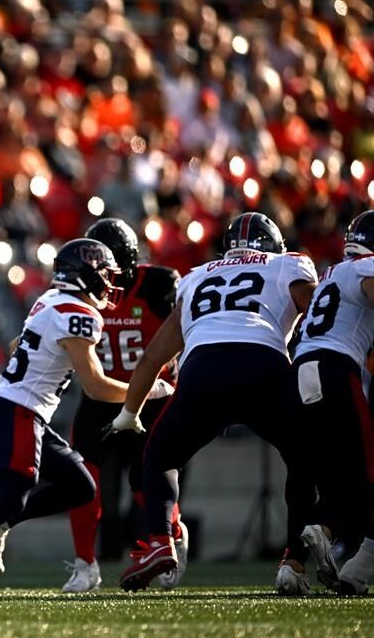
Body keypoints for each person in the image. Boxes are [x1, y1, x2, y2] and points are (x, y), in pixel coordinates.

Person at [0, 238, 174, 597]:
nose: (110, 283)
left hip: (24, 409)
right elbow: (96, 387)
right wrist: (149, 390)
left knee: (80, 485)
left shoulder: (49, 301)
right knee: (11, 498)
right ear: (86, 276)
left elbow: (14, 347)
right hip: (18, 410)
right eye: (104, 275)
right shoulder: (80, 314)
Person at [111, 212, 318, 593]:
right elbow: (318, 314)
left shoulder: (196, 276)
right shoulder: (287, 265)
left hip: (202, 372)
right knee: (304, 459)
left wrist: (129, 413)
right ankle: (295, 561)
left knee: (158, 458)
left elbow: (152, 359)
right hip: (264, 367)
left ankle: (159, 540)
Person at [63, 218, 185, 592]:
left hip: (152, 394)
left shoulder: (159, 284)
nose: (103, 275)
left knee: (145, 480)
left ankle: (168, 540)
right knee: (84, 480)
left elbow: (188, 327)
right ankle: (86, 564)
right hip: (102, 395)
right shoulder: (79, 292)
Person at [291, 210, 374, 595]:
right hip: (337, 368)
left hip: (304, 367)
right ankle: (323, 526)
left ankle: (304, 561)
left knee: (336, 468)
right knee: (364, 473)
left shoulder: (332, 273)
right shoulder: (366, 268)